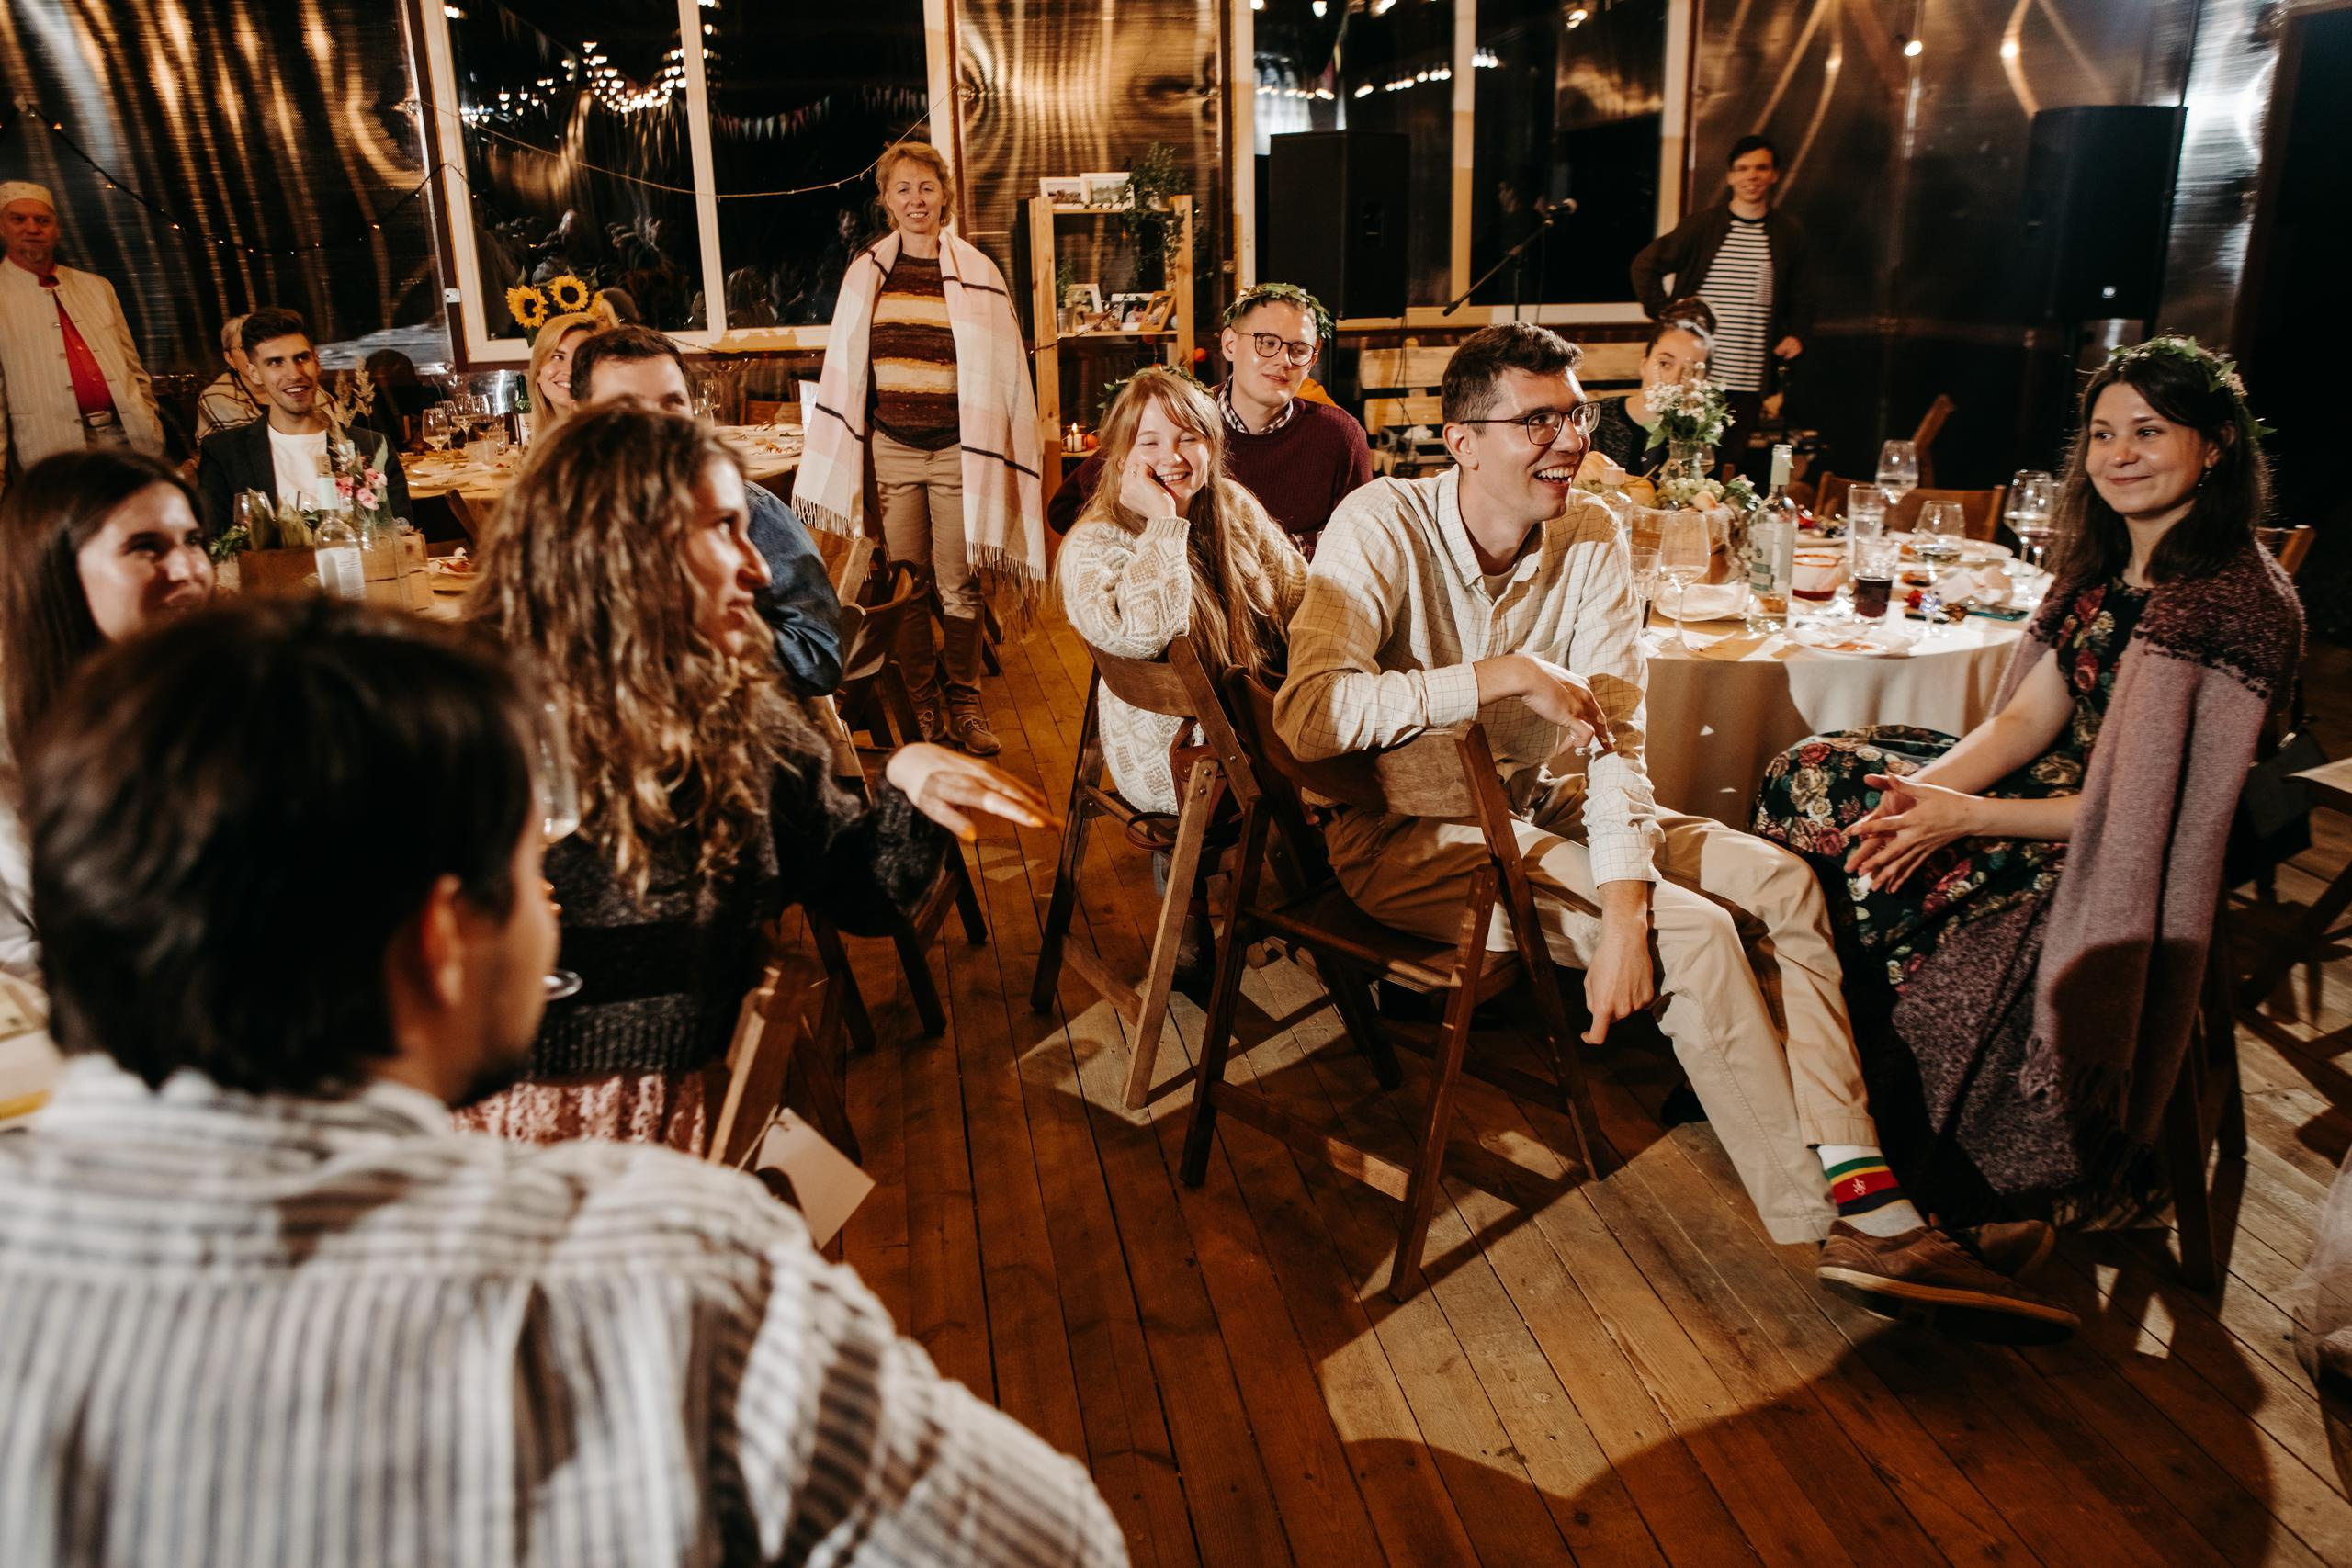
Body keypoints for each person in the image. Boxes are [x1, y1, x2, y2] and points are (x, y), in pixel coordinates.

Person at [0, 597, 1126, 1566]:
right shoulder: (660, 1276)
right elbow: (1063, 1545)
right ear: (440, 941)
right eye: (523, 858)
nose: (553, 896)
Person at [1274, 322, 2073, 1341]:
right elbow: (1307, 716)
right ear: (1461, 440)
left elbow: (1620, 746)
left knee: (1782, 881)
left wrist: (1617, 916)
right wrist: (1500, 676)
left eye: (1577, 414)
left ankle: (1862, 1178)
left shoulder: (1594, 532)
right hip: (1406, 837)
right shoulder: (1379, 521)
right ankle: (1847, 1224)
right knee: (1690, 929)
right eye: (1538, 420)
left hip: (1540, 799)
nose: (1569, 440)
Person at [1751, 337, 2302, 1209]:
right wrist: (1928, 798)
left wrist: (1963, 820)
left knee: (1881, 874)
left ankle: (1897, 1127)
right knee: (1810, 773)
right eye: (2104, 433)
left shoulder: (2233, 598)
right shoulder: (2102, 564)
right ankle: (1813, 1064)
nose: (2120, 455)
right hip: (2045, 791)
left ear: (2217, 443)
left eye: (2149, 432)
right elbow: (2022, 719)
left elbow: (2152, 815)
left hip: (2117, 842)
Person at [456, 406, 1052, 1148]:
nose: (760, 566)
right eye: (720, 530)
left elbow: (863, 895)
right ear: (621, 549)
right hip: (488, 1144)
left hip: (685, 1134)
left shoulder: (744, 725)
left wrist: (908, 782)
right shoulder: (470, 728)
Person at [797, 141, 1046, 756]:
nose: (916, 200)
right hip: (893, 453)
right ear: (885, 201)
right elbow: (848, 369)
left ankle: (964, 700)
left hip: (961, 452)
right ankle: (923, 702)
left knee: (959, 585)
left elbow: (1006, 372)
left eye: (927, 188)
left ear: (944, 197)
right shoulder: (866, 273)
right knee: (907, 584)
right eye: (902, 189)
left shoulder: (978, 273)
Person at [0, 447, 213, 978]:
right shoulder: (12, 739)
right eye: (146, 548)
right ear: (58, 568)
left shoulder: (226, 694)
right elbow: (14, 955)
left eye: (193, 541)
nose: (188, 569)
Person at [570, 323, 845, 697]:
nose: (660, 424)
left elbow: (819, 658)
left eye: (672, 403)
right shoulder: (568, 521)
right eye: (629, 407)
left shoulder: (746, 510)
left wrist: (700, 634)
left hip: (735, 725)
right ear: (582, 417)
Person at [1048, 282, 1374, 558]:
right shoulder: (1176, 422)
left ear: (1311, 360)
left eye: (1299, 349)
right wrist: (1155, 538)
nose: (1283, 361)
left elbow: (1360, 545)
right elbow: (1068, 509)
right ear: (1230, 344)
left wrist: (1274, 552)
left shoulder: (1340, 437)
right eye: (1268, 343)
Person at [1629, 137, 1810, 439]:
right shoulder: (1701, 227)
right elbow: (1644, 265)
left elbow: (1803, 292)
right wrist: (1666, 316)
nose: (1751, 176)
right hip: (1695, 373)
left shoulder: (1787, 234)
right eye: (1742, 168)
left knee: (1730, 459)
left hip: (1750, 372)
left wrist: (1798, 333)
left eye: (1761, 168)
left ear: (1774, 174)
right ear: (1730, 176)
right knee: (1680, 450)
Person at [0, 180, 164, 490]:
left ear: (57, 229)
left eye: (42, 220)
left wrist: (150, 422)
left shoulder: (96, 287)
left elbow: (133, 367)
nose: (32, 228)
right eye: (19, 219)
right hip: (51, 448)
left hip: (126, 436)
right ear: (2, 227)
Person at [194, 307, 413, 535]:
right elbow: (216, 548)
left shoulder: (372, 446)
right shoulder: (224, 454)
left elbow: (400, 536)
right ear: (254, 373)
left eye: (301, 358)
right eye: (275, 362)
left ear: (316, 363)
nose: (295, 373)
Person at [1589, 312, 1715, 479]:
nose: (1675, 379)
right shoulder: (1596, 419)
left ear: (1703, 381)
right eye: (1664, 363)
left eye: (1691, 370)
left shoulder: (1700, 434)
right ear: (1643, 365)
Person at [193, 312, 264, 443]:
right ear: (230, 358)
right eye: (243, 347)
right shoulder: (217, 397)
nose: (254, 353)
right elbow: (257, 444)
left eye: (260, 344)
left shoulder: (293, 383)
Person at [526, 310, 596, 429]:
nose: (570, 370)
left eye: (583, 358)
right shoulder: (546, 439)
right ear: (538, 371)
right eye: (558, 357)